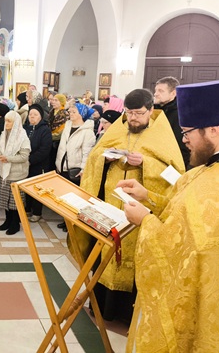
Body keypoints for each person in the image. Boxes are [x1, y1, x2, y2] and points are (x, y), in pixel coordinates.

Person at [118, 79, 219, 353]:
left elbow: (191, 248)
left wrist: (145, 221)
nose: (184, 140)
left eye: (187, 133)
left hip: (213, 306)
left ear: (214, 129)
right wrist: (148, 197)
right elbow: (184, 214)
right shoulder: (208, 168)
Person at [79, 88, 185, 323]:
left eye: (138, 113)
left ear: (151, 110)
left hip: (139, 209)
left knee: (133, 256)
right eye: (129, 113)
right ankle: (102, 307)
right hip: (110, 204)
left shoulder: (162, 134)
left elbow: (175, 174)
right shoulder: (119, 127)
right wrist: (105, 158)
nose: (133, 118)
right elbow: (95, 156)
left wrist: (146, 162)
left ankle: (125, 313)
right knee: (106, 251)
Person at [0, 111, 31, 235]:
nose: (6, 123)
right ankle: (7, 220)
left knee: (15, 201)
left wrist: (7, 158)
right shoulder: (4, 134)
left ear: (16, 123)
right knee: (5, 198)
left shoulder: (23, 137)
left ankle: (15, 223)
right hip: (4, 171)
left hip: (17, 174)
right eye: (5, 120)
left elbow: (24, 157)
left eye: (9, 121)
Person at [154, 76, 191, 169]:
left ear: (173, 93)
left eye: (161, 91)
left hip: (173, 162)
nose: (156, 94)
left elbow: (181, 144)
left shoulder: (181, 113)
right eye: (156, 90)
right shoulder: (153, 110)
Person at [23, 104, 52, 223]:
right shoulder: (25, 128)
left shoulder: (45, 130)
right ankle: (27, 209)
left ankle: (37, 212)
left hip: (39, 164)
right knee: (26, 187)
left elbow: (44, 149)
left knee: (36, 189)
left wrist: (29, 160)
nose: (32, 117)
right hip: (25, 164)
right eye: (30, 114)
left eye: (35, 114)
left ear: (40, 116)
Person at [48, 93, 68, 171]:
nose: (53, 102)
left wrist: (48, 136)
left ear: (61, 102)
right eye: (53, 100)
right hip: (50, 141)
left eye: (56, 100)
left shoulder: (64, 114)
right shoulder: (52, 112)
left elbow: (61, 132)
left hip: (57, 142)